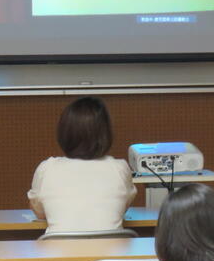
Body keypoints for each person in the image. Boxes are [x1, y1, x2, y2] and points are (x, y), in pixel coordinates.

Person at [27, 96, 136, 233]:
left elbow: (40, 214)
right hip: (111, 253)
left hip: (59, 252)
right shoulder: (120, 168)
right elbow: (123, 208)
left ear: (64, 132)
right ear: (105, 133)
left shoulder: (47, 168)